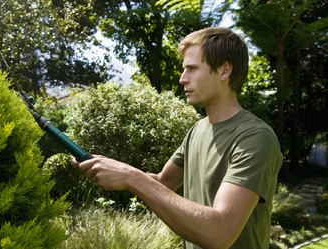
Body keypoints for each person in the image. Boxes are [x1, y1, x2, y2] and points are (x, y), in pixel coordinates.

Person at [73, 27, 283, 249]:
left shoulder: (255, 137)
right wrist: (109, 167)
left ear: (224, 70)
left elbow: (220, 232)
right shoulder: (197, 130)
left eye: (192, 68)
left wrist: (131, 177)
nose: (183, 79)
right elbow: (163, 182)